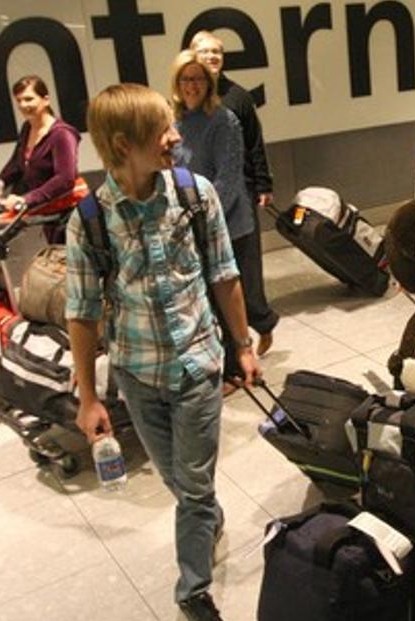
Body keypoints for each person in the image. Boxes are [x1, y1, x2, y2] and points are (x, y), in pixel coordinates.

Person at [64, 83, 262, 621]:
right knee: (182, 483)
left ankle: (193, 592)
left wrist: (242, 345)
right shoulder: (91, 221)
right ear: (124, 145)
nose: (177, 137)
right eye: (164, 130)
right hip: (137, 374)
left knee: (192, 487)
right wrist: (87, 398)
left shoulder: (195, 195)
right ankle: (205, 517)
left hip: (199, 366)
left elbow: (225, 275)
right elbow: (82, 311)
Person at [169, 50, 273, 394]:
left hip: (229, 221)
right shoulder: (176, 121)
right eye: (185, 79)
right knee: (207, 301)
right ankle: (223, 363)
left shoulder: (224, 119)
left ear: (209, 82)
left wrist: (203, 219)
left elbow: (228, 178)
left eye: (198, 78)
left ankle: (235, 370)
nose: (192, 85)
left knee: (228, 296)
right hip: (192, 223)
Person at [190, 31, 279, 356]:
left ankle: (263, 322)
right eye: (205, 51)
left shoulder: (236, 98)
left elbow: (255, 143)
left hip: (237, 196)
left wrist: (264, 184)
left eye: (217, 52)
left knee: (246, 270)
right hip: (198, 202)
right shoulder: (185, 99)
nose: (212, 57)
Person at [0, 75, 80, 243]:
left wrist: (26, 199)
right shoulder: (27, 128)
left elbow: (65, 178)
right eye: (19, 100)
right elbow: (17, 164)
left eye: (29, 99)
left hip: (70, 217)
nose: (23, 105)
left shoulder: (62, 134)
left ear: (46, 100)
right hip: (50, 215)